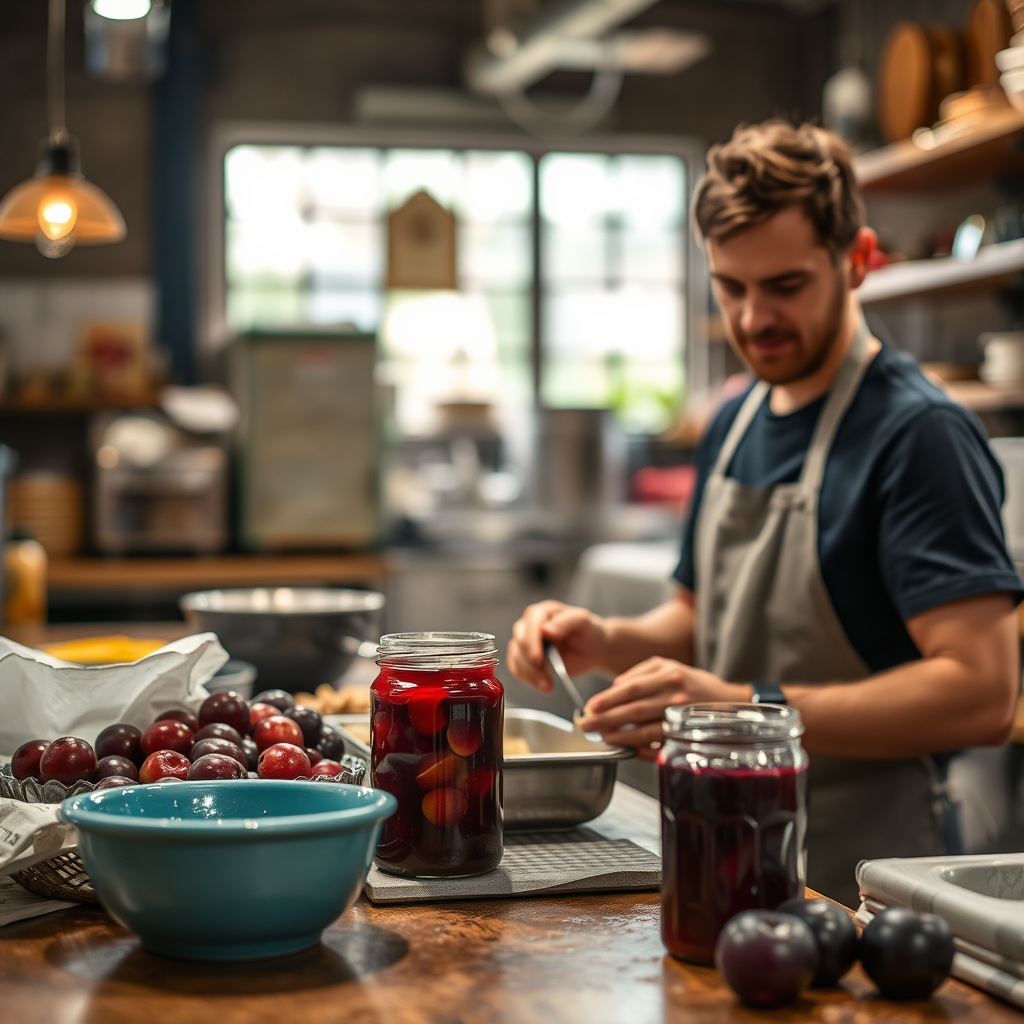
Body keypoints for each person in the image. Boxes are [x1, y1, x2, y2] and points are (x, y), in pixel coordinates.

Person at [507, 120, 1023, 906]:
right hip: (714, 859)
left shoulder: (918, 435)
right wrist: (605, 640)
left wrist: (746, 710)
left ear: (857, 262)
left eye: (785, 286)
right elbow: (696, 618)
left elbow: (982, 695)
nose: (753, 321)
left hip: (859, 881)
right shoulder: (736, 418)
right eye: (731, 287)